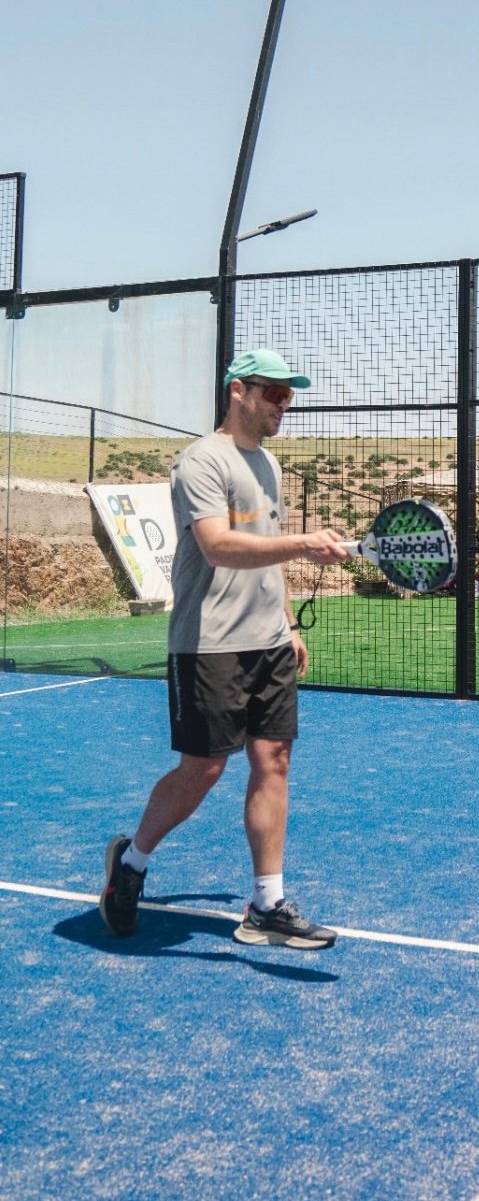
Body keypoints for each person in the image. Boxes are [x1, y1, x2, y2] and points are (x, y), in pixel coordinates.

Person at [99, 349, 349, 950]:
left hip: (269, 642)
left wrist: (288, 623)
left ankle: (267, 904)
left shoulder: (269, 465)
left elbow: (266, 550)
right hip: (209, 643)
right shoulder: (201, 461)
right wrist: (303, 544)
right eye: (274, 393)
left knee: (274, 762)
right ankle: (130, 863)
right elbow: (218, 545)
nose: (283, 405)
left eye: (288, 396)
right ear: (239, 391)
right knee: (204, 769)